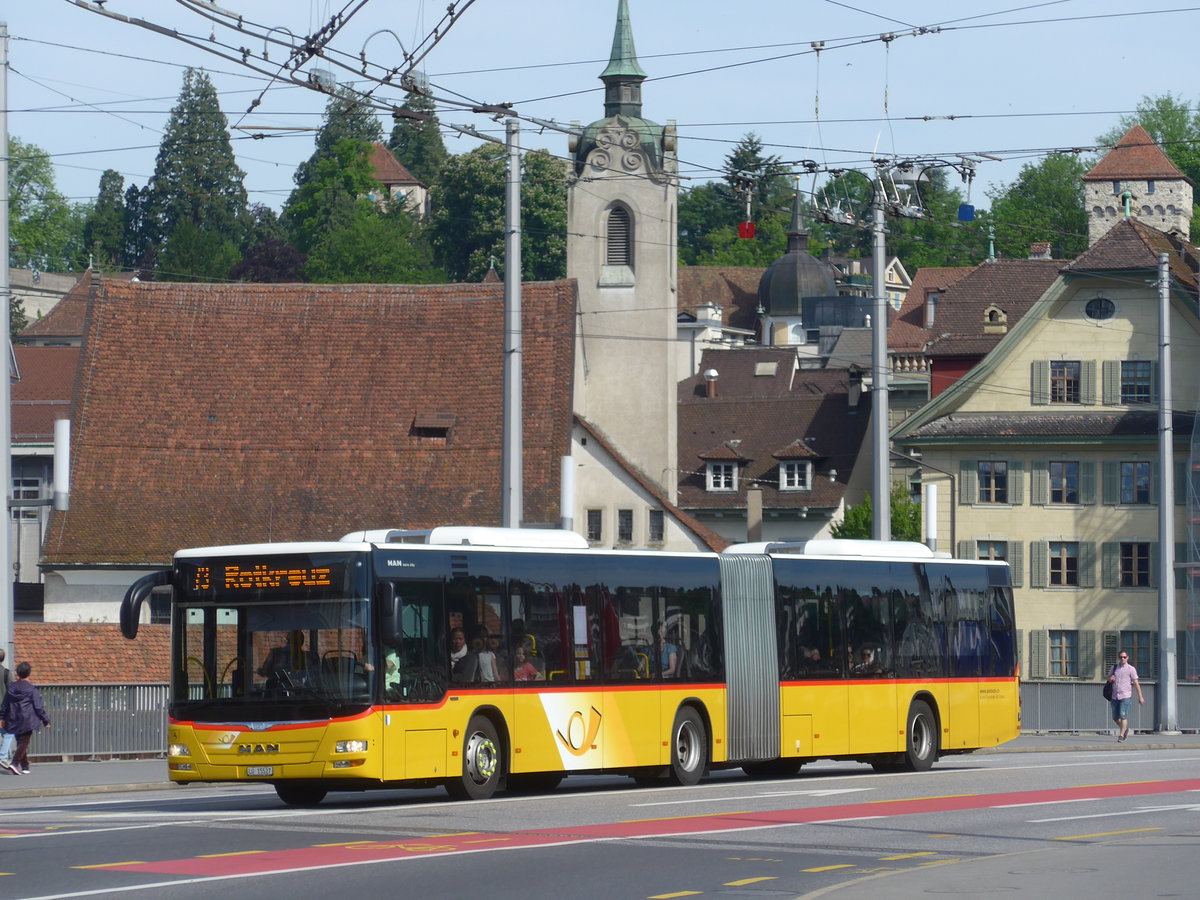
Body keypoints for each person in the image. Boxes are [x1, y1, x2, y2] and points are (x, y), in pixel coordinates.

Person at [0, 661, 51, 775]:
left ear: (17, 673)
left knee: (21, 742)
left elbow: (5, 704)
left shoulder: (11, 688)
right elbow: (38, 707)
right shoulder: (32, 689)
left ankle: (25, 766)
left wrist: (2, 717)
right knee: (24, 742)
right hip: (27, 719)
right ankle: (14, 763)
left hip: (13, 718)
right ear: (29, 673)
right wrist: (45, 720)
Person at [1107, 650, 1145, 742]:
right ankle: (1125, 729)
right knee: (1115, 717)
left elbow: (1136, 683)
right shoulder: (1114, 667)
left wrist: (1140, 696)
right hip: (1115, 695)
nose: (1122, 659)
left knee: (1123, 715)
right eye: (1121, 657)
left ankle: (1121, 735)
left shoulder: (1131, 669)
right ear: (1118, 658)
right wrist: (1110, 679)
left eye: (1124, 657)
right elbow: (1108, 678)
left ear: (1127, 658)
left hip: (1126, 695)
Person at [0, 649, 12, 771]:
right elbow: (11, 693)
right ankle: (3, 757)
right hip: (3, 708)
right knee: (8, 733)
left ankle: (5, 758)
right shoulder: (7, 673)